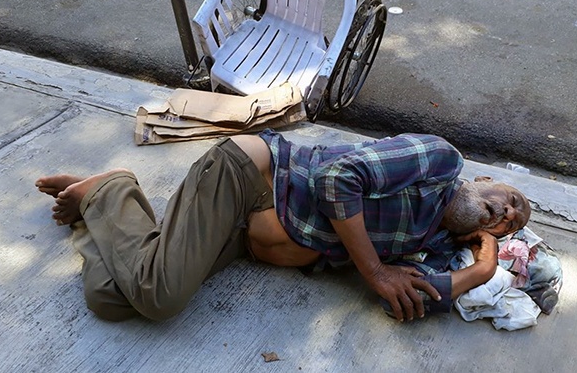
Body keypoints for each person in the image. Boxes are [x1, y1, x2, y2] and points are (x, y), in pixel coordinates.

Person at [35, 129, 530, 323]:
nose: (507, 214)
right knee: (159, 296)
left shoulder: (437, 244)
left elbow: (414, 302)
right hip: (249, 178)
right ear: (483, 180)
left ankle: (102, 203)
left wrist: (481, 272)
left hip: (242, 236)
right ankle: (114, 188)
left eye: (510, 225)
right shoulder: (441, 162)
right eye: (510, 200)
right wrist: (376, 270)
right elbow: (339, 179)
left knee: (110, 298)